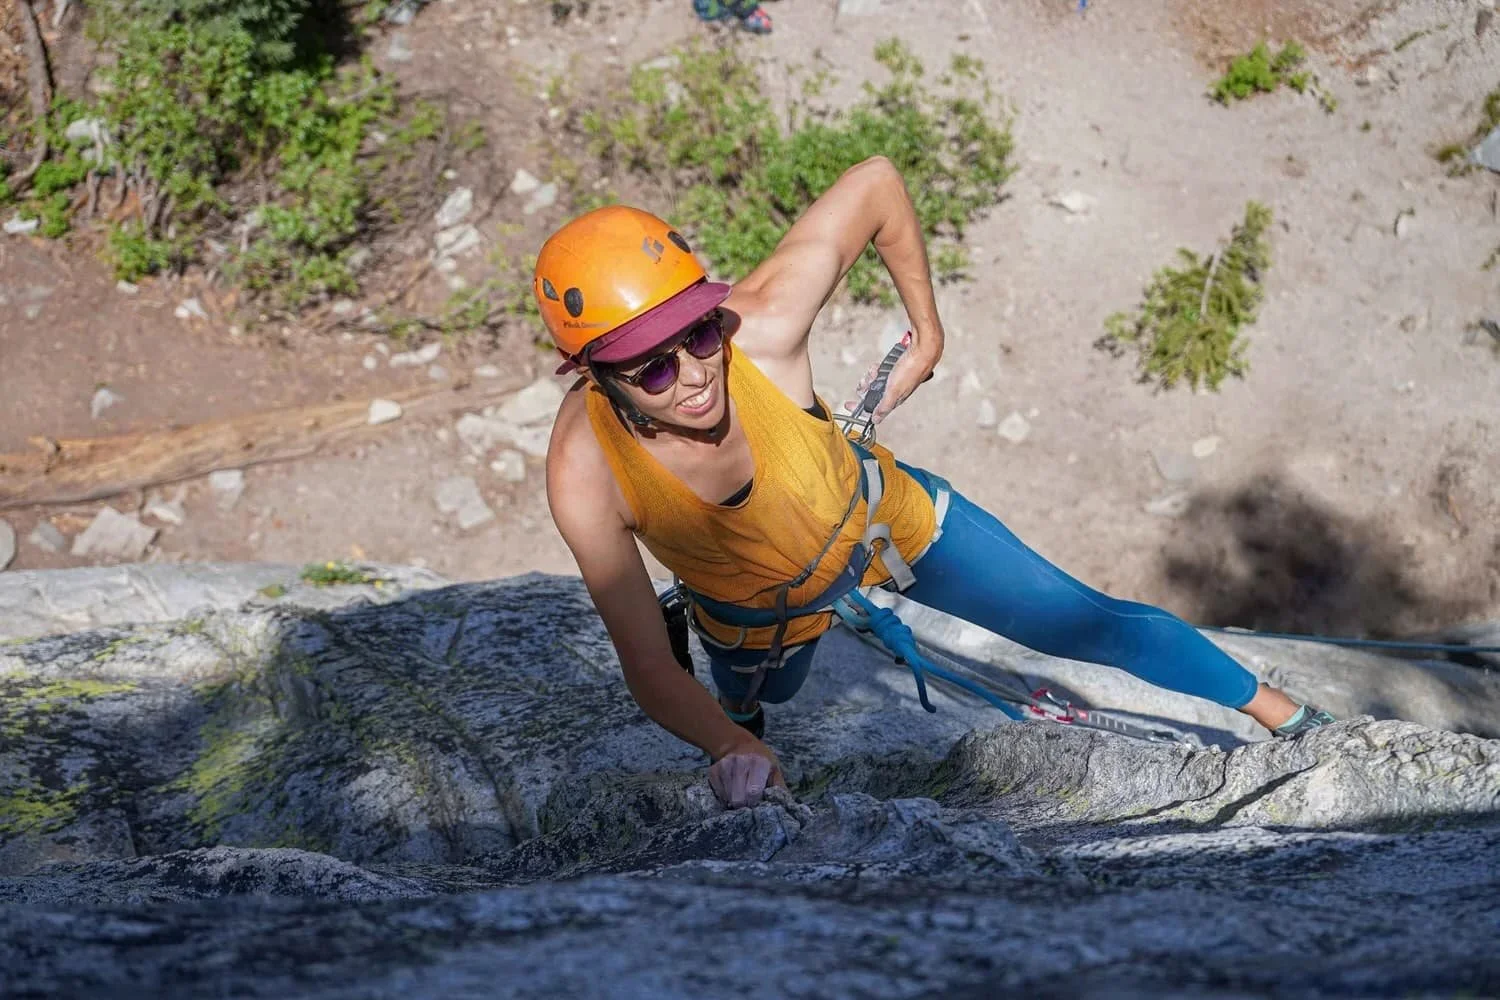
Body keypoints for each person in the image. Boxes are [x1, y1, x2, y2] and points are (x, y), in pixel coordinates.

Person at [537, 157, 1335, 811]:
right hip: (749, 608)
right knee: (756, 691)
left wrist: (927, 330)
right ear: (597, 378)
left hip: (891, 527)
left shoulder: (765, 329)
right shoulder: (588, 475)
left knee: (1088, 624)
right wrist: (729, 743)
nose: (697, 373)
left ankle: (1288, 715)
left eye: (703, 331)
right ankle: (747, 722)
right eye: (654, 366)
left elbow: (877, 183)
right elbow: (646, 661)